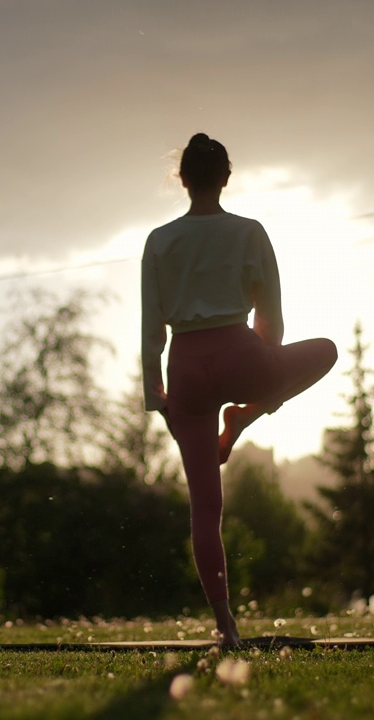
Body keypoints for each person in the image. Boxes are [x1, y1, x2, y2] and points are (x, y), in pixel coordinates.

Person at [141, 133, 338, 645]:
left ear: (182, 180)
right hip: (240, 354)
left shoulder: (159, 241)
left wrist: (156, 397)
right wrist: (265, 380)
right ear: (225, 178)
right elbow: (271, 317)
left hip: (184, 368)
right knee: (326, 351)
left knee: (206, 509)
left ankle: (225, 625)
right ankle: (243, 418)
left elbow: (150, 330)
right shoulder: (249, 232)